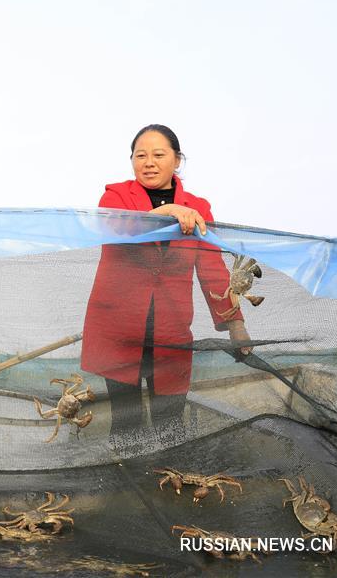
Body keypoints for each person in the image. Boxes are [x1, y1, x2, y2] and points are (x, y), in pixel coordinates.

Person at [81, 124, 251, 449]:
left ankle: (170, 481)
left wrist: (236, 324)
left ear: (177, 160)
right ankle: (131, 486)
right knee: (126, 420)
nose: (148, 162)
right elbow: (119, 228)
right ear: (131, 161)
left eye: (159, 155)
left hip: (171, 332)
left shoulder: (198, 208)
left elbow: (212, 268)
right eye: (140, 155)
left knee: (170, 421)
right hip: (118, 331)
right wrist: (167, 211)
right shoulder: (115, 196)